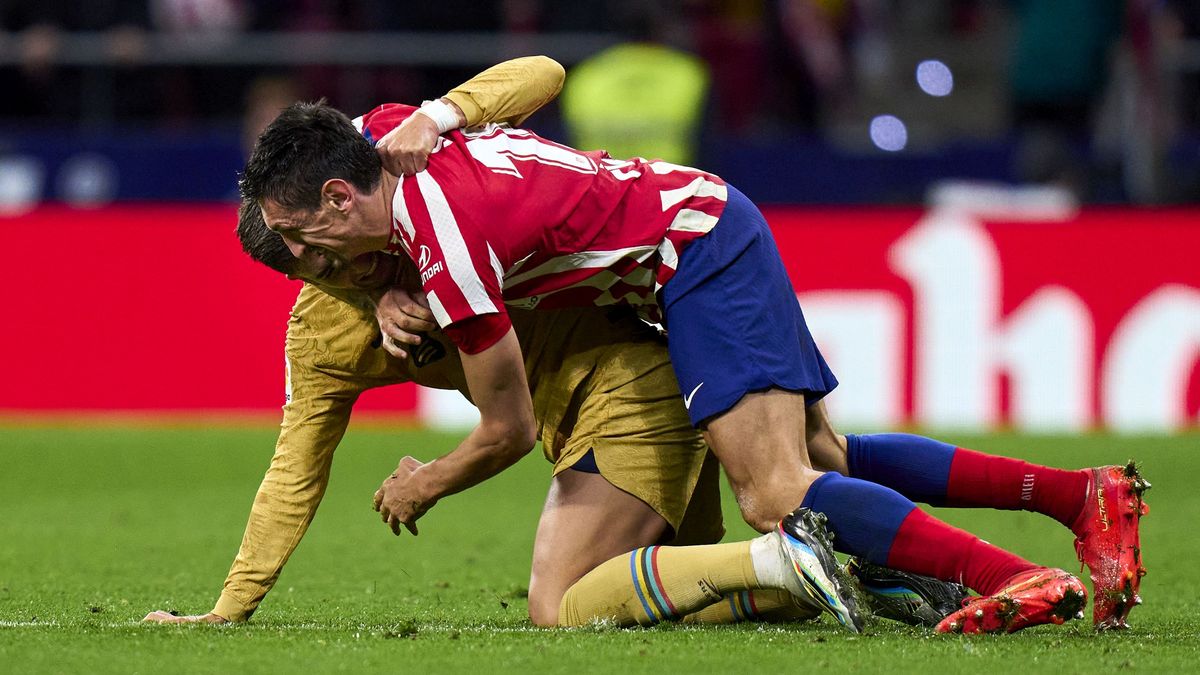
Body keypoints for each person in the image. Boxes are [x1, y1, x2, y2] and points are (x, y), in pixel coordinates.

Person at [238, 65, 1147, 634]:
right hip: (701, 220)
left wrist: (427, 477)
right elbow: (535, 75)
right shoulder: (389, 141)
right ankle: (1081, 497)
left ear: (335, 198)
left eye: (302, 239)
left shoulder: (450, 250)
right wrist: (438, 122)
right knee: (823, 456)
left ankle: (1007, 576)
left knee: (774, 492)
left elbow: (508, 427)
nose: (304, 263)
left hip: (691, 252)